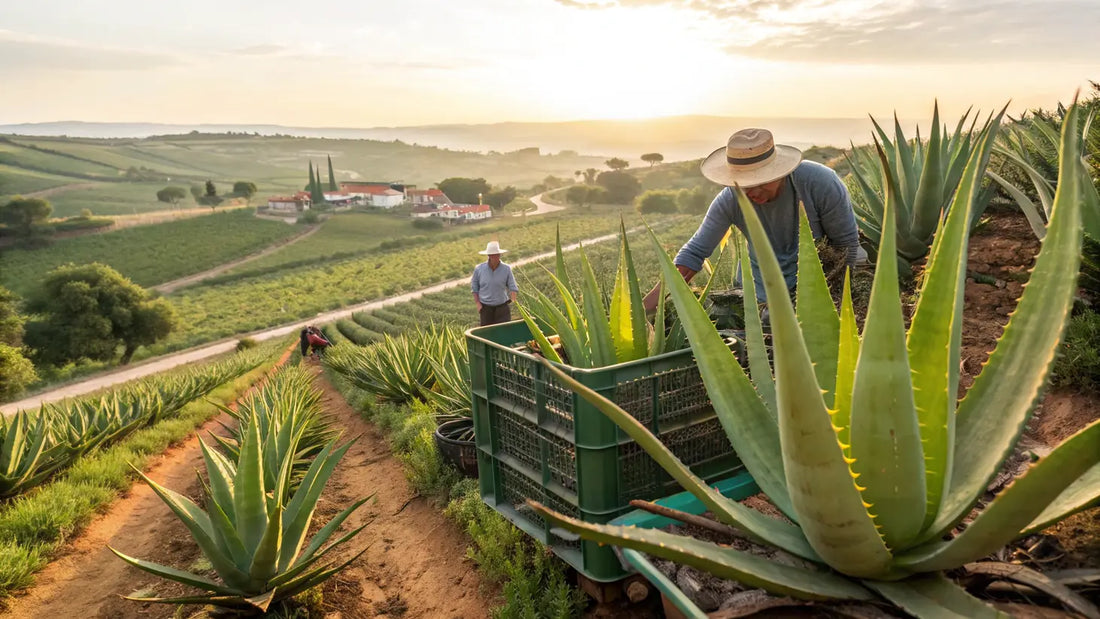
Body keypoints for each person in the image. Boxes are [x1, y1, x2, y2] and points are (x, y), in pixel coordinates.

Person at [643, 128, 866, 311]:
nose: (752, 191)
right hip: (763, 292)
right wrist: (648, 307)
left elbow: (845, 245)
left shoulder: (818, 183)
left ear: (780, 171)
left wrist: (836, 298)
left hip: (821, 282)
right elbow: (694, 252)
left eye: (762, 181)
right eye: (744, 184)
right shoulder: (730, 199)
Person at [471, 240, 518, 326]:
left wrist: (514, 302)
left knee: (504, 331)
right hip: (485, 308)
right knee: (487, 332)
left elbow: (513, 287)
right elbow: (474, 288)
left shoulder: (506, 269)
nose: (495, 257)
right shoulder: (479, 269)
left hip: (502, 307)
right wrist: (478, 304)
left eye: (497, 255)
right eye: (493, 255)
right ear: (489, 256)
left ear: (500, 255)